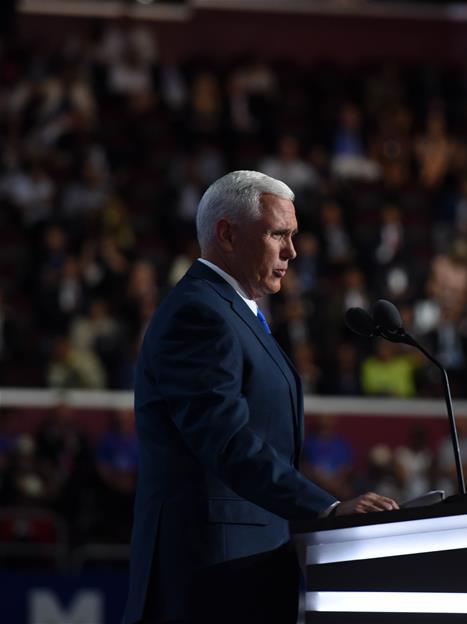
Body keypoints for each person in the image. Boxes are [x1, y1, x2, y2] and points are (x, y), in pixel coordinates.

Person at [123, 171, 398, 624]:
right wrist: (326, 507)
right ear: (227, 234)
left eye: (293, 235)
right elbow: (226, 439)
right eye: (277, 235)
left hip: (247, 566)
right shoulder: (199, 312)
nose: (292, 251)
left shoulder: (233, 310)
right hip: (212, 575)